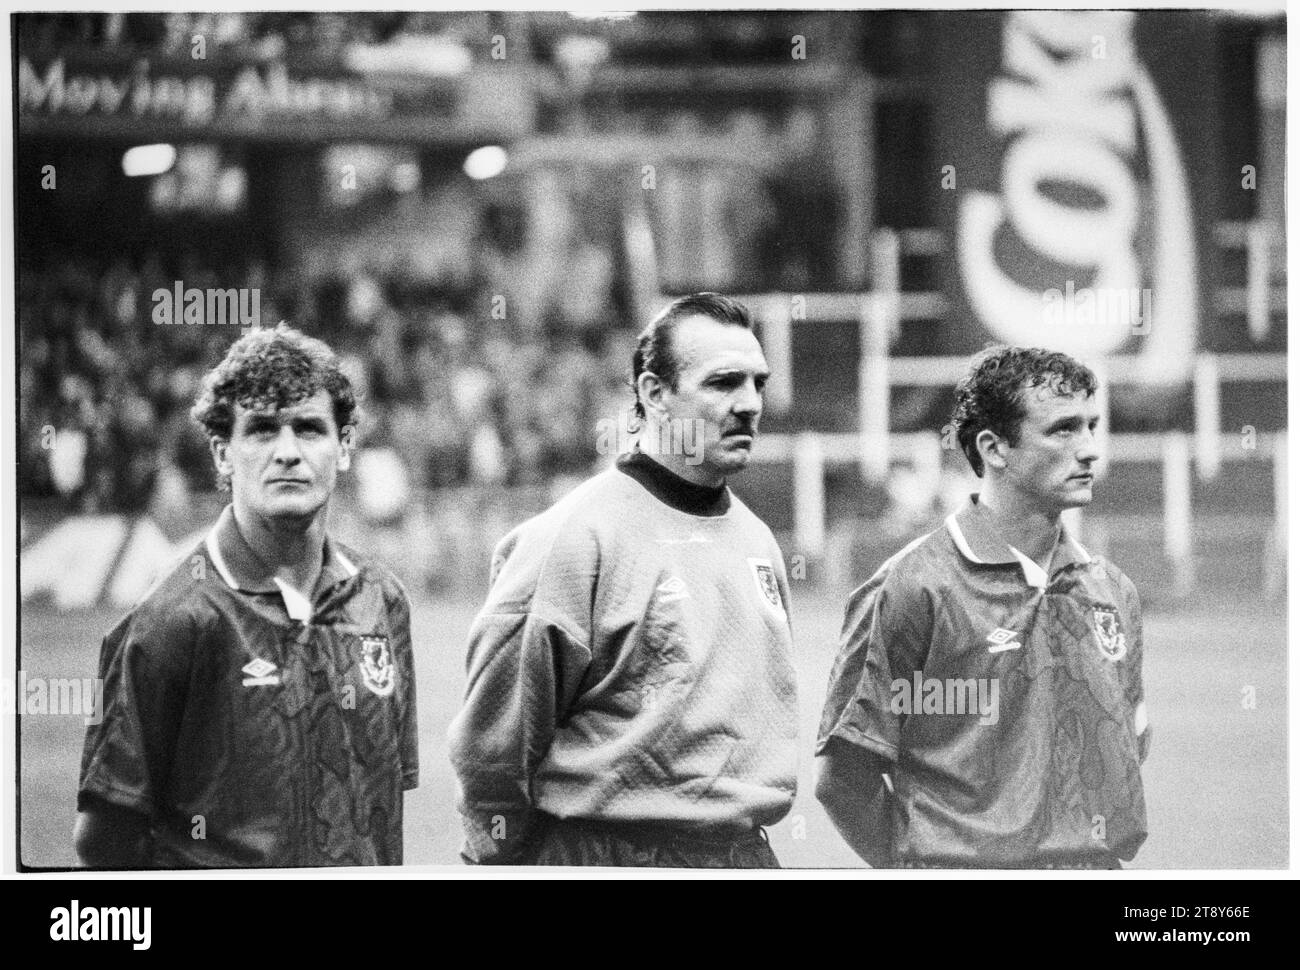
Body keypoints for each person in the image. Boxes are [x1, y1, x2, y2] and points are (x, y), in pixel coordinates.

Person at [448, 292, 798, 867]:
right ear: (654, 394)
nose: (750, 403)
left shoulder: (757, 541)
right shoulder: (574, 538)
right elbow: (495, 748)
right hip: (610, 856)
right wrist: (506, 859)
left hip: (742, 857)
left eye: (758, 383)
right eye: (723, 383)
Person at [75, 324, 418, 868]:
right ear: (221, 453)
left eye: (309, 429)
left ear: (345, 447)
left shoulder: (382, 601)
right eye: (261, 430)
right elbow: (105, 840)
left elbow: (380, 806)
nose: (287, 452)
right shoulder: (171, 617)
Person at [815, 346, 1150, 868]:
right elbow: (844, 779)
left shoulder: (1112, 591)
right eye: (1064, 430)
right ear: (995, 449)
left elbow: (1130, 743)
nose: (1089, 449)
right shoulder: (910, 587)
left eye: (1092, 426)